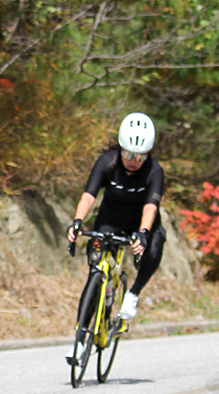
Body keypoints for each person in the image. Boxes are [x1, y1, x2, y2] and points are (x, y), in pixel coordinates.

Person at [66, 112, 164, 321]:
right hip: (110, 220)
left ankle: (133, 293)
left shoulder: (154, 171)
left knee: (156, 246)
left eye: (140, 156)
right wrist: (77, 221)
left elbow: (151, 207)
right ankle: (82, 333)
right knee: (95, 269)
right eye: (128, 154)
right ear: (120, 148)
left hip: (140, 224)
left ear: (148, 154)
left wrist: (143, 233)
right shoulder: (107, 162)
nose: (133, 161)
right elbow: (89, 195)